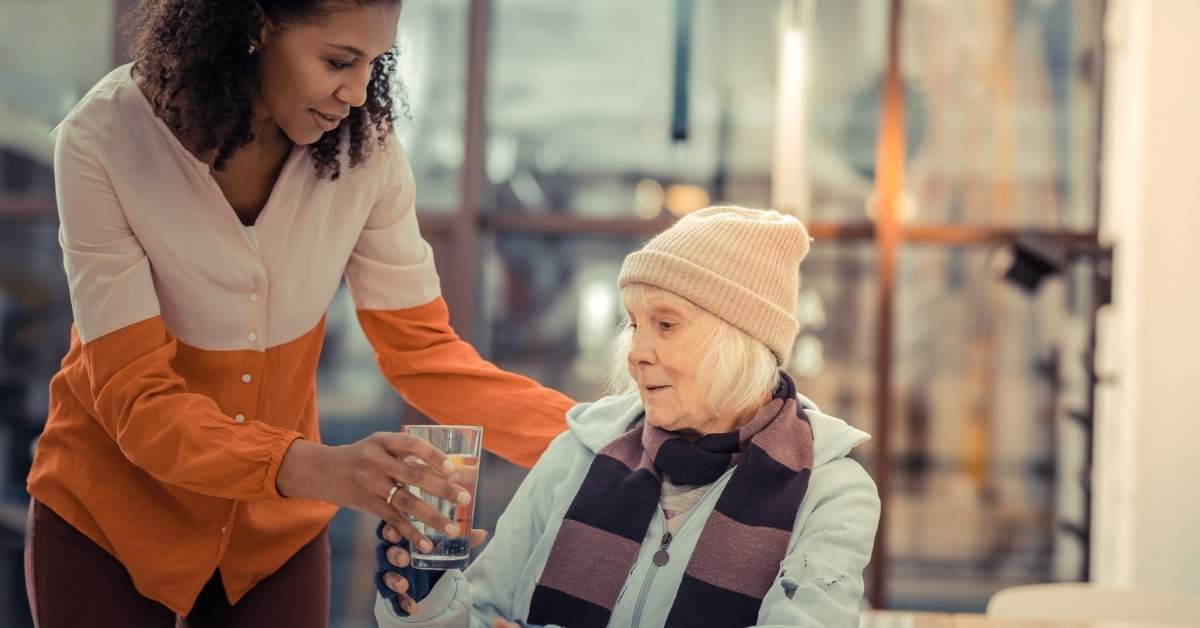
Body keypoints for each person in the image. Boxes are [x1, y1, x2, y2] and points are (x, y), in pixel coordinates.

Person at [23, 1, 573, 626]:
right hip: (109, 523)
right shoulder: (103, 141)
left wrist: (599, 445)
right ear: (254, 24)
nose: (359, 92)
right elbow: (138, 402)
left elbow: (424, 355)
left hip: (273, 536)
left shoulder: (367, 152)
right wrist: (325, 469)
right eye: (339, 61)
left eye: (376, 63)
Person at [373, 207, 882, 628]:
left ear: (740, 341)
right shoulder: (580, 449)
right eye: (635, 324)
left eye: (665, 324)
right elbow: (484, 614)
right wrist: (427, 601)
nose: (637, 352)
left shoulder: (832, 492)